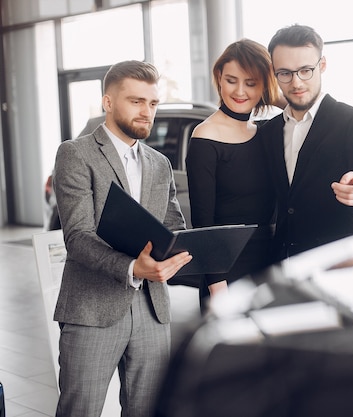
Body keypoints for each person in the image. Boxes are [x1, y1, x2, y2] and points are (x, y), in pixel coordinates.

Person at [52, 60, 193, 417]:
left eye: (152, 103)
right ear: (108, 102)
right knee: (79, 410)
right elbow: (78, 236)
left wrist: (182, 253)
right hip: (92, 307)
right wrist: (132, 266)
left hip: (152, 310)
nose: (147, 112)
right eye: (136, 101)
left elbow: (172, 225)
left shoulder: (160, 163)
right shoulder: (75, 153)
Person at [263, 24, 353, 261]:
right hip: (283, 271)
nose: (296, 82)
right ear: (274, 72)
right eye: (285, 73)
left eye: (305, 70)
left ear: (322, 65)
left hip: (338, 272)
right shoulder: (269, 131)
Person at [185, 39, 281, 313]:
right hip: (226, 272)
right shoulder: (205, 137)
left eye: (251, 83)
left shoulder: (266, 131)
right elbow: (204, 224)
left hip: (269, 265)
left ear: (264, 84)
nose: (240, 91)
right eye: (231, 80)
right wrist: (218, 288)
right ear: (218, 78)